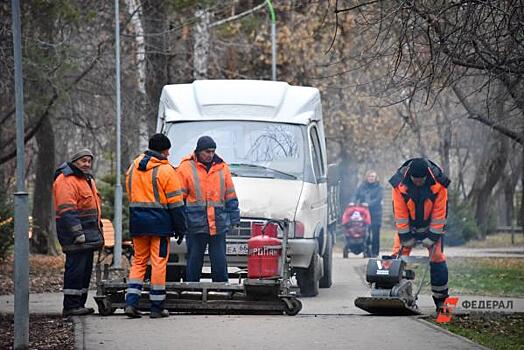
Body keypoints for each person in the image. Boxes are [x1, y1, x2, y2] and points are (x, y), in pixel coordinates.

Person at [124, 133, 187, 318]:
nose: (168, 154)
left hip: (138, 223)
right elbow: (176, 204)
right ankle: (157, 306)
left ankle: (131, 303)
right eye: (168, 150)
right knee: (159, 263)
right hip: (160, 225)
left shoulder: (133, 167)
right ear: (164, 150)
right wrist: (181, 228)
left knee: (139, 262)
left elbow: (130, 193)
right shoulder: (166, 171)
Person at [389, 158, 451, 312]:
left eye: (420, 180)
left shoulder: (440, 186)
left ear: (426, 176)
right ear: (410, 176)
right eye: (414, 180)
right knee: (397, 256)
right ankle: (391, 294)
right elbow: (400, 214)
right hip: (408, 227)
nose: (417, 182)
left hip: (431, 226)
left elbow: (439, 214)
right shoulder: (399, 186)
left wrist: (432, 237)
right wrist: (405, 237)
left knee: (437, 258)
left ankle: (441, 301)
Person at [177, 136, 240, 282]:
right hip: (195, 223)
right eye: (207, 152)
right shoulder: (185, 168)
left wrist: (234, 218)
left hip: (217, 223)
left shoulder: (222, 168)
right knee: (194, 259)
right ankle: (191, 289)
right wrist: (179, 221)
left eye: (213, 151)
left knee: (219, 260)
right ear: (198, 151)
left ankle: (220, 289)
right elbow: (179, 199)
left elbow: (230, 195)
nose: (210, 155)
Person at [54, 148, 104, 317]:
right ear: (75, 162)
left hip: (87, 235)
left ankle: (79, 304)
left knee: (84, 271)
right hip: (75, 236)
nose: (87, 164)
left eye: (89, 161)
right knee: (75, 270)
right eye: (83, 161)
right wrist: (77, 233)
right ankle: (70, 306)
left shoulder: (86, 180)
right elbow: (67, 210)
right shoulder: (66, 180)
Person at [354, 171, 383, 257]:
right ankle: (366, 250)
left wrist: (368, 204)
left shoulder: (379, 188)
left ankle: (375, 252)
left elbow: (378, 199)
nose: (371, 178)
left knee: (375, 233)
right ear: (367, 177)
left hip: (376, 213)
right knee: (365, 232)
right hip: (364, 213)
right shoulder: (362, 187)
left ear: (376, 177)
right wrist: (353, 202)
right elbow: (356, 195)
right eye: (370, 176)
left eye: (373, 176)